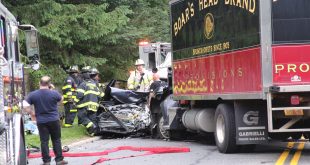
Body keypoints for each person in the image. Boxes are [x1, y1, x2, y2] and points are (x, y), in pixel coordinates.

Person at [24, 76, 68, 165]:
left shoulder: (33, 94)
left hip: (41, 121)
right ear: (49, 84)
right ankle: (59, 160)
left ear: (39, 83)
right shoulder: (54, 93)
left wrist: (32, 113)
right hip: (54, 120)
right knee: (56, 140)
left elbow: (25, 105)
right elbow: (61, 100)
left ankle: (46, 161)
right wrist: (51, 89)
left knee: (44, 141)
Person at [76, 68, 104, 136]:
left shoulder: (83, 84)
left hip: (85, 106)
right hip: (94, 106)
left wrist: (75, 102)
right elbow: (100, 96)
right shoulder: (95, 85)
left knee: (82, 118)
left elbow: (79, 95)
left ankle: (92, 127)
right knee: (92, 119)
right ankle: (94, 132)